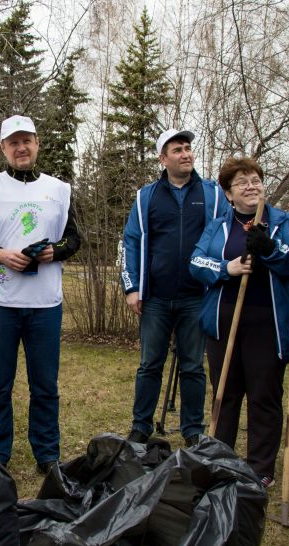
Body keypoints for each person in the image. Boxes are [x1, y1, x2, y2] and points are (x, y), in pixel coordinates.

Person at [0, 115, 80, 473]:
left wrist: (53, 252)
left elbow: (74, 239)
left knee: (45, 383)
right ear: (3, 149)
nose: (21, 147)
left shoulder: (59, 189)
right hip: (0, 301)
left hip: (45, 301)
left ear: (38, 144)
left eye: (27, 140)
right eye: (13, 142)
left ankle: (47, 454)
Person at [189, 157, 289, 489]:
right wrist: (227, 268)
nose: (251, 187)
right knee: (227, 392)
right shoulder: (220, 225)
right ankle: (220, 458)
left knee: (264, 394)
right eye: (241, 183)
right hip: (225, 322)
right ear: (228, 193)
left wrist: (270, 249)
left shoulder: (281, 222)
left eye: (255, 180)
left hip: (267, 322)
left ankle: (260, 467)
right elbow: (196, 261)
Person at [120, 129, 231, 447]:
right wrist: (132, 287)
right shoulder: (146, 197)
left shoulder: (212, 194)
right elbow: (132, 241)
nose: (186, 154)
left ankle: (192, 429)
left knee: (193, 365)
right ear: (163, 158)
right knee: (149, 364)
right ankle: (141, 425)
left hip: (197, 296)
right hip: (155, 297)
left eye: (188, 148)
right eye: (178, 149)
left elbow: (223, 237)